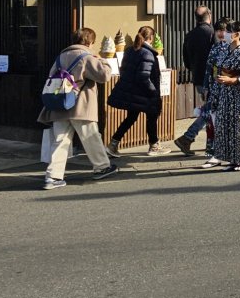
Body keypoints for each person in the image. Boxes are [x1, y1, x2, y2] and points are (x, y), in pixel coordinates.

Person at [39, 28, 118, 189]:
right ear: (89, 42)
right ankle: (102, 167)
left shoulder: (61, 57)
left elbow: (51, 76)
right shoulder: (86, 57)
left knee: (60, 141)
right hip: (80, 105)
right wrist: (102, 60)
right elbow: (104, 76)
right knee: (90, 137)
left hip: (60, 105)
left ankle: (52, 177)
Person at [203, 20, 240, 172]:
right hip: (225, 92)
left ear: (237, 34)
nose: (226, 34)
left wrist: (233, 79)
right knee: (226, 126)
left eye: (229, 31)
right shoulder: (227, 48)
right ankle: (232, 159)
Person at [107, 26, 168, 156]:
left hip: (132, 91)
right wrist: (153, 91)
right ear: (151, 38)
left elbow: (123, 70)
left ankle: (113, 143)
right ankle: (154, 146)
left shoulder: (129, 50)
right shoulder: (148, 54)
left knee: (131, 118)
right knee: (152, 116)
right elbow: (144, 77)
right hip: (146, 92)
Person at [174, 18, 229, 156]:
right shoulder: (216, 47)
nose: (221, 34)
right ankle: (204, 144)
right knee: (210, 114)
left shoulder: (232, 47)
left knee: (209, 113)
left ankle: (189, 138)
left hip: (228, 84)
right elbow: (209, 68)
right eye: (218, 30)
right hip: (216, 85)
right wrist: (206, 86)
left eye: (224, 30)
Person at [182, 6, 214, 107]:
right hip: (214, 78)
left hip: (198, 77)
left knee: (207, 105)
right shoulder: (212, 33)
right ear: (209, 15)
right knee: (214, 109)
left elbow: (186, 60)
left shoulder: (189, 35)